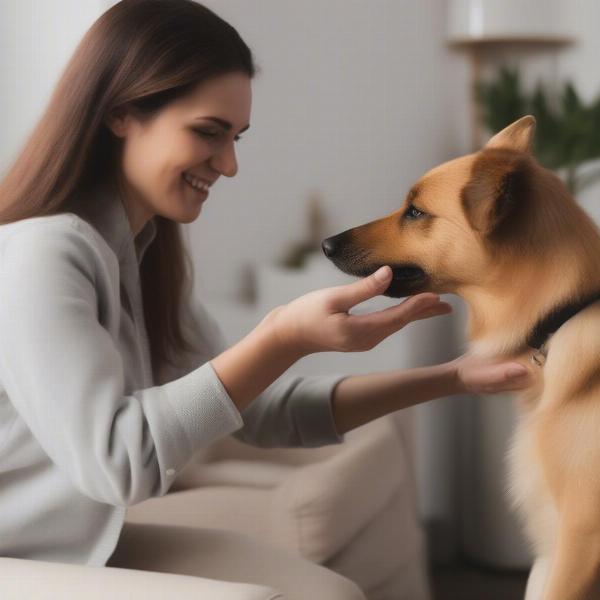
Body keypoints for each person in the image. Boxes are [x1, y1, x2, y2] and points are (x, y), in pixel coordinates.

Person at [0, 1, 534, 598]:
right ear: (123, 112)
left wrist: (454, 378)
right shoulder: (40, 256)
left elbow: (259, 412)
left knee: (332, 593)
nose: (228, 165)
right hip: (15, 554)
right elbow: (120, 466)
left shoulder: (141, 256)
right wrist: (282, 337)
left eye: (235, 138)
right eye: (208, 132)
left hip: (76, 548)